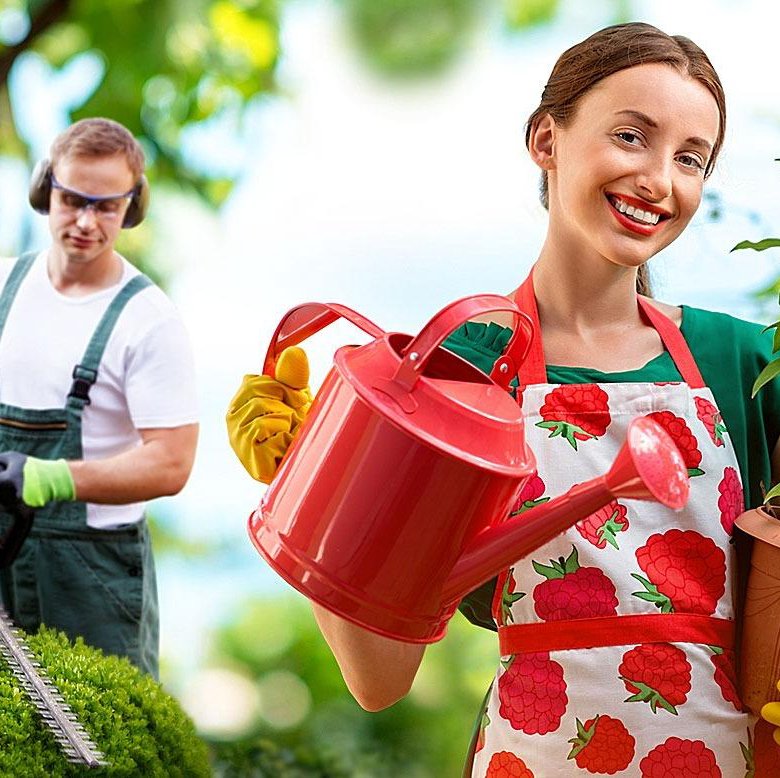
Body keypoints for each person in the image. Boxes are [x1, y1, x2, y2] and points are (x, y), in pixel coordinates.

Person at [227, 23, 780, 775]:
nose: (659, 179)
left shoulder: (744, 362)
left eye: (690, 158)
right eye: (630, 136)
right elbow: (380, 679)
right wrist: (310, 485)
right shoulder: (457, 375)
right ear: (546, 140)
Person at [0, 118, 199, 679]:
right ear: (46, 191)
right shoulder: (5, 288)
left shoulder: (148, 319)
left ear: (130, 207)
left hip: (89, 577)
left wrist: (51, 478)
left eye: (106, 207)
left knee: (100, 756)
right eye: (72, 201)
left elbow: (172, 462)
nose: (86, 222)